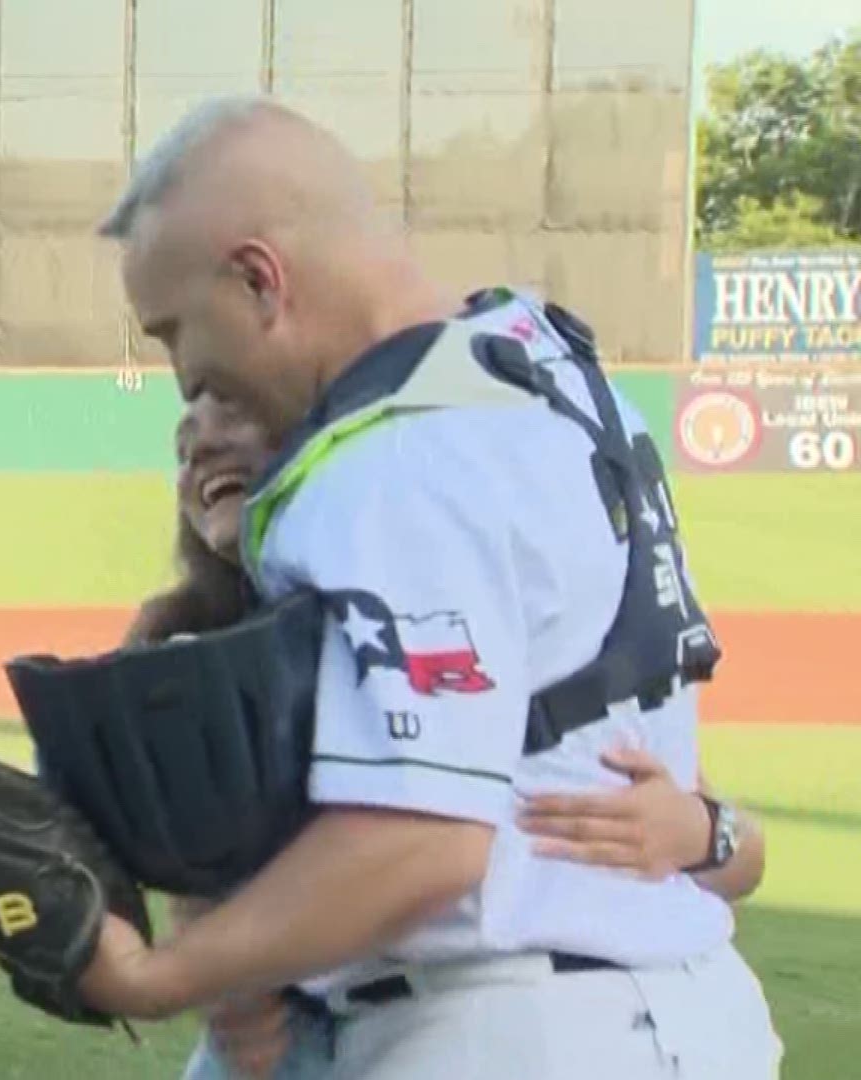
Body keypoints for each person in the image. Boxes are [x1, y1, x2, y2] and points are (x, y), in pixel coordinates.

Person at [69, 96, 784, 1079]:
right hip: (636, 1003)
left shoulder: (395, 461)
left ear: (259, 278)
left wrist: (162, 975)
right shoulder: (536, 354)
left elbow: (421, 841)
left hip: (512, 1028)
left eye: (174, 331)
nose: (188, 378)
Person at [139, 391, 770, 1079]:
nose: (199, 449)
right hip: (301, 1036)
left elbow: (742, 858)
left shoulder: (437, 607)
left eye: (232, 415)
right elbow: (189, 862)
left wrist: (702, 830)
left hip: (490, 1017)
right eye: (182, 445)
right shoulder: (179, 640)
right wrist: (217, 964)